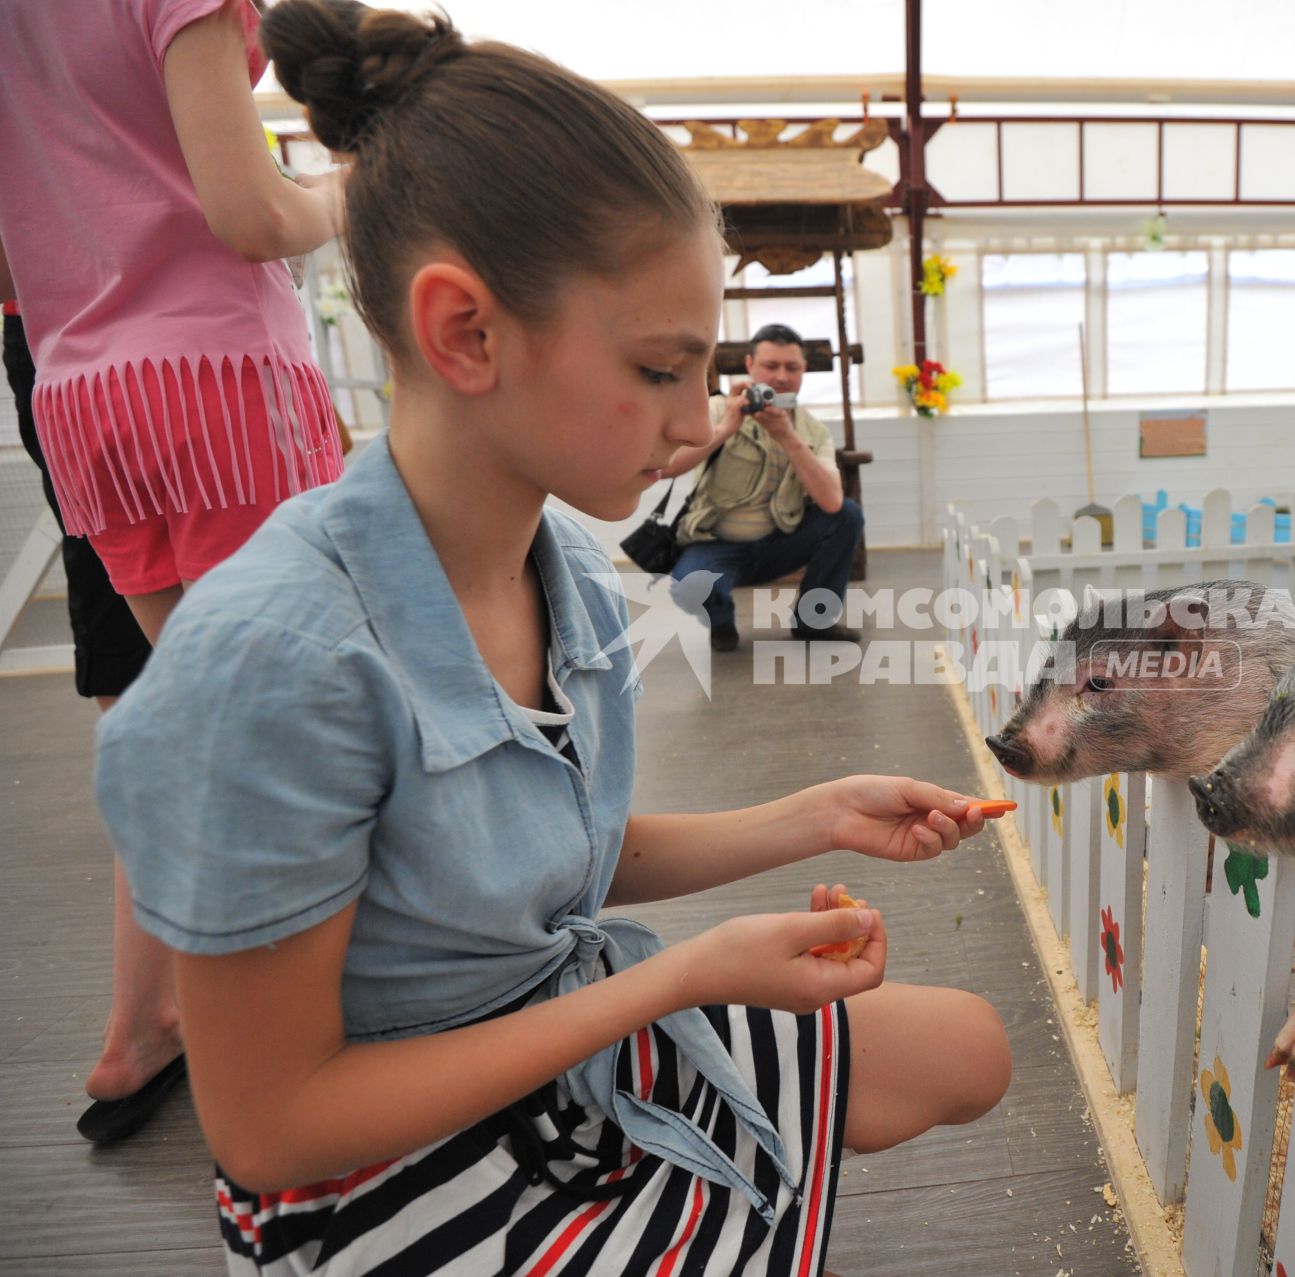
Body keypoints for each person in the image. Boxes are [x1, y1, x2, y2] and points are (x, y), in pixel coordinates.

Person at [92, 5, 1012, 1273]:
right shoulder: (277, 664)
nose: (695, 424)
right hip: (382, 1159)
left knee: (972, 1045)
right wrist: (679, 977)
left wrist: (818, 813)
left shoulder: (560, 564)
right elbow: (270, 1127)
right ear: (466, 331)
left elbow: (535, 856)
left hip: (551, 1020)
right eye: (657, 371)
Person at [0, 0, 347, 1142]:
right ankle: (330, 1041)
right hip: (220, 380)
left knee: (196, 722)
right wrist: (351, 189)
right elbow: (250, 216)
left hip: (82, 400)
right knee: (319, 724)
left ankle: (168, 1022)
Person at [660, 323, 864, 651]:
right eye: (771, 366)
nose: (781, 377)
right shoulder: (715, 410)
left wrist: (788, 437)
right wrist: (727, 426)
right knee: (689, 586)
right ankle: (720, 620)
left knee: (848, 516)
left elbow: (832, 503)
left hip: (781, 540)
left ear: (803, 372)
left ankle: (815, 622)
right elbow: (666, 466)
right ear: (749, 365)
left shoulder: (812, 431)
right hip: (716, 543)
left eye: (792, 368)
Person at [3, 302, 154, 706]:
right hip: (56, 322)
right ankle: (142, 746)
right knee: (98, 538)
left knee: (102, 537)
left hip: (169, 314)